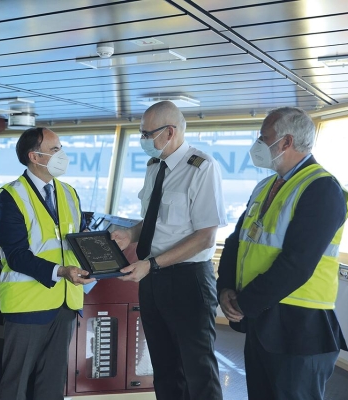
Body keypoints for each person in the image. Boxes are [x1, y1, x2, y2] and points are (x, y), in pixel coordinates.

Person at [216, 107, 348, 400]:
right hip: (263, 319)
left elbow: (297, 264)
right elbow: (236, 241)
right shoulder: (267, 186)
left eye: (263, 138)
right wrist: (226, 287)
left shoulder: (321, 189)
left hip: (300, 329)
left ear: (286, 143)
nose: (257, 145)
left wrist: (244, 303)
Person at [111, 100, 227, 400]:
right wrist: (129, 235)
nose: (142, 140)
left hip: (188, 279)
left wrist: (152, 265)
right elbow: (153, 220)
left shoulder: (201, 167)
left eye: (146, 133)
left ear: (170, 132)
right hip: (152, 278)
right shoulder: (154, 167)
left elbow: (205, 237)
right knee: (163, 367)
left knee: (197, 370)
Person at [0, 127, 95, 400]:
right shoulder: (11, 196)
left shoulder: (69, 193)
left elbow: (77, 240)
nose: (62, 155)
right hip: (28, 305)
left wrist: (100, 255)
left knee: (52, 384)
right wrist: (61, 271)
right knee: (16, 383)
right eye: (55, 150)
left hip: (65, 303)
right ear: (34, 157)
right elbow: (16, 255)